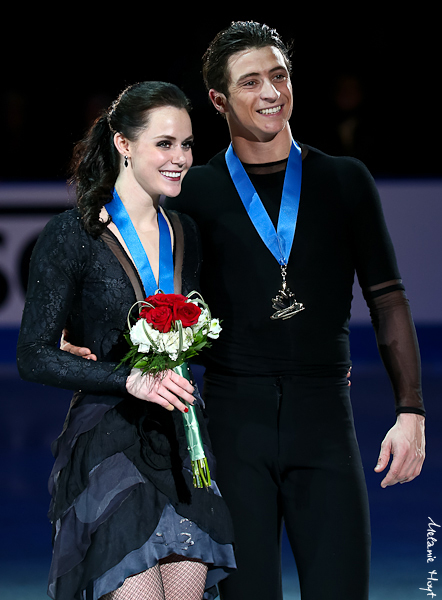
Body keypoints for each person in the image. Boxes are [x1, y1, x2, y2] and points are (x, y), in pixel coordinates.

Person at [63, 22, 426, 600]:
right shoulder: (196, 190)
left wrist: (411, 410)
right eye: (250, 81)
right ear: (218, 100)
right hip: (233, 429)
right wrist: (69, 325)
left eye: (278, 76)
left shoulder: (344, 180)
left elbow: (388, 297)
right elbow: (125, 256)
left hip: (326, 423)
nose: (270, 92)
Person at [16, 81, 235, 600]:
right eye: (164, 143)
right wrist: (128, 377)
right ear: (123, 144)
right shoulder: (73, 235)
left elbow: (197, 332)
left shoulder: (185, 232)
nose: (180, 157)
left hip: (182, 441)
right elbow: (32, 355)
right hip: (110, 443)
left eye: (186, 144)